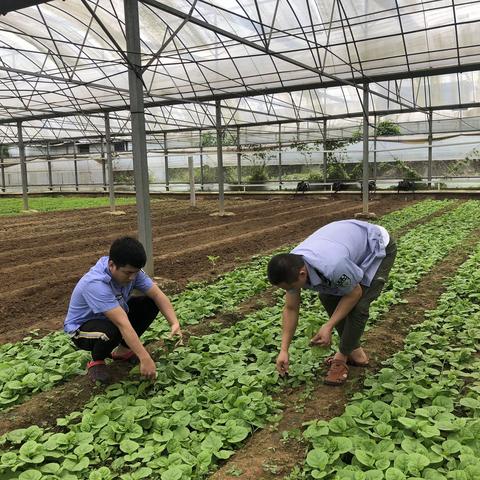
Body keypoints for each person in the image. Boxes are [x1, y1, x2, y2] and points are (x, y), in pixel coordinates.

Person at [267, 219, 396, 386]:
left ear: (301, 274)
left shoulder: (333, 266)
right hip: (343, 242)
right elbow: (291, 308)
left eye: (291, 288)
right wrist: (284, 350)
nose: (290, 291)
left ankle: (341, 358)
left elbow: (354, 293)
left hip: (375, 246)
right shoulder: (291, 268)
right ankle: (356, 353)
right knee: (328, 296)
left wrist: (328, 326)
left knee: (359, 306)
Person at [64, 236, 182, 384]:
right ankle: (97, 361)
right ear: (112, 265)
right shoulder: (95, 284)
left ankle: (123, 351)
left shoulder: (132, 272)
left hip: (112, 318)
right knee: (113, 329)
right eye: (128, 273)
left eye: (136, 272)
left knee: (149, 302)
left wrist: (174, 323)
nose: (132, 277)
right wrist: (145, 358)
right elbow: (122, 324)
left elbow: (157, 294)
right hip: (83, 330)